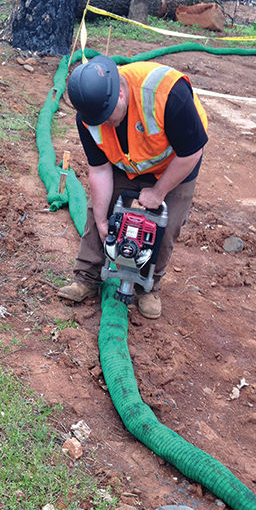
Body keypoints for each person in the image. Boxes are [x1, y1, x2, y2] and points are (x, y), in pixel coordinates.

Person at [58, 54, 208, 319]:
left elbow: (191, 153)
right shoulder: (89, 116)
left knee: (165, 225)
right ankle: (87, 277)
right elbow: (99, 169)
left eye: (106, 117)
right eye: (96, 120)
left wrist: (159, 192)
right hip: (124, 161)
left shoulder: (168, 94)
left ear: (119, 94)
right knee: (99, 212)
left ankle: (147, 286)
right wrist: (102, 220)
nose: (102, 123)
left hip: (176, 163)